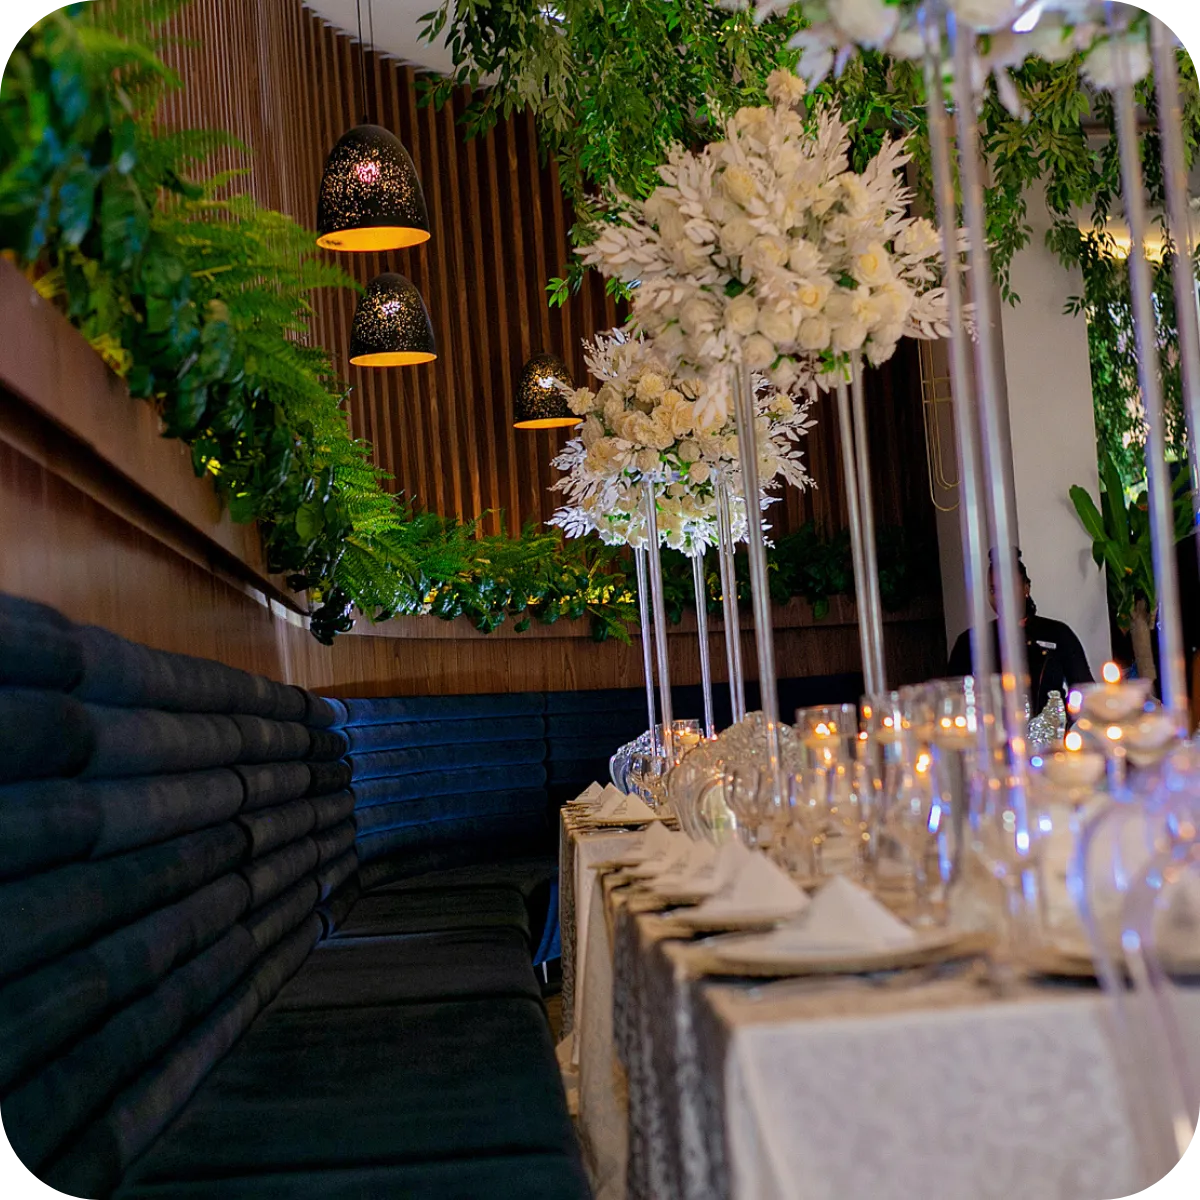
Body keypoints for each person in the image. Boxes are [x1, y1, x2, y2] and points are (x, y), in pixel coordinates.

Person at [947, 549, 1094, 715]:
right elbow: (953, 701)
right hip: (994, 730)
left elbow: (1085, 692)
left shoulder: (1058, 634)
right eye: (994, 590)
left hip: (1049, 729)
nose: (1001, 597)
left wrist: (1061, 719)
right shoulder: (970, 641)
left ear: (1026, 588)